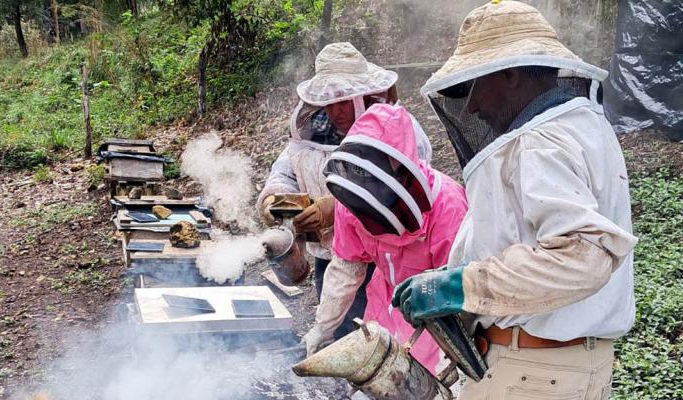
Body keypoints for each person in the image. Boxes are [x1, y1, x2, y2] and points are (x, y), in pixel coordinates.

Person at [391, 1, 637, 399]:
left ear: (508, 74)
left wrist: (459, 285)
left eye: (472, 87)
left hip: (531, 374)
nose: (469, 106)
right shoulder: (585, 128)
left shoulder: (538, 143)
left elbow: (582, 256)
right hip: (568, 367)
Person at [257, 42, 432, 339]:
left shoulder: (395, 126)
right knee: (338, 333)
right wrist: (276, 198)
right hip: (330, 255)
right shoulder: (312, 128)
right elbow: (287, 167)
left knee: (382, 338)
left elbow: (406, 191)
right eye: (328, 101)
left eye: (343, 100)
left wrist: (334, 208)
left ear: (363, 94)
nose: (335, 110)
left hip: (384, 259)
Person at [304, 103, 468, 374]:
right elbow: (346, 267)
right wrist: (323, 327)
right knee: (377, 374)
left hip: (437, 312)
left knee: (426, 382)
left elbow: (458, 289)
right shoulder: (352, 199)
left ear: (400, 167)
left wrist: (453, 358)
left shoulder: (448, 207)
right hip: (385, 305)